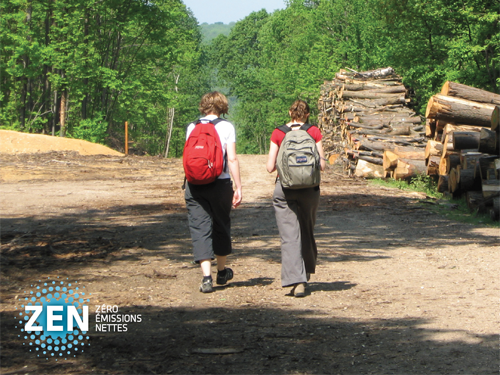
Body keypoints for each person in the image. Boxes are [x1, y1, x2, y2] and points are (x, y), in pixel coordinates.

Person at [266, 100, 326, 297]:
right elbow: (322, 166)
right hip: (310, 189)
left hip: (285, 189)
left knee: (289, 235)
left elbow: (269, 167)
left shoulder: (278, 132)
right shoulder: (314, 131)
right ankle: (306, 272)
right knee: (307, 230)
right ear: (307, 114)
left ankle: (296, 280)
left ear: (290, 113)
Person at [184, 92, 242, 293]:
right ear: (222, 106)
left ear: (203, 106)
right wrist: (239, 186)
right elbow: (232, 159)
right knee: (221, 223)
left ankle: (206, 277)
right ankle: (222, 271)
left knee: (199, 228)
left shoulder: (192, 127)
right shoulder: (226, 127)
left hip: (195, 184)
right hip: (220, 184)